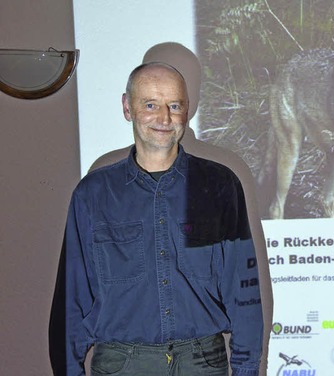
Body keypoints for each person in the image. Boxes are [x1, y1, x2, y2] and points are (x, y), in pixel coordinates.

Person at [50, 62, 263, 375]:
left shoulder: (219, 186)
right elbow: (72, 300)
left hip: (203, 363)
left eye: (174, 105)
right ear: (127, 107)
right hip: (121, 365)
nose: (164, 118)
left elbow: (243, 290)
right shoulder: (93, 194)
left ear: (187, 109)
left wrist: (245, 370)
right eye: (150, 105)